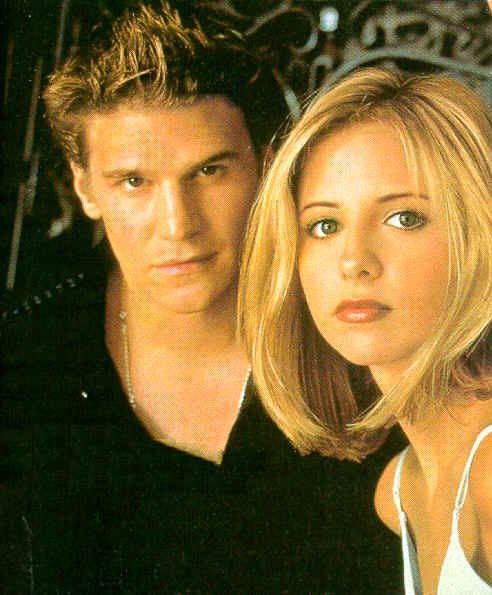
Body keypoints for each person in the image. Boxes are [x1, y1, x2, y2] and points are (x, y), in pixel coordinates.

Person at [0, 4, 402, 593]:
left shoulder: (363, 344)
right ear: (85, 187)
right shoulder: (23, 364)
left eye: (209, 171)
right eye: (134, 182)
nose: (178, 224)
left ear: (265, 165)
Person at [239, 66, 491, 593]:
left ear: (479, 236)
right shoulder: (398, 493)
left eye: (404, 218)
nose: (354, 261)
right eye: (324, 226)